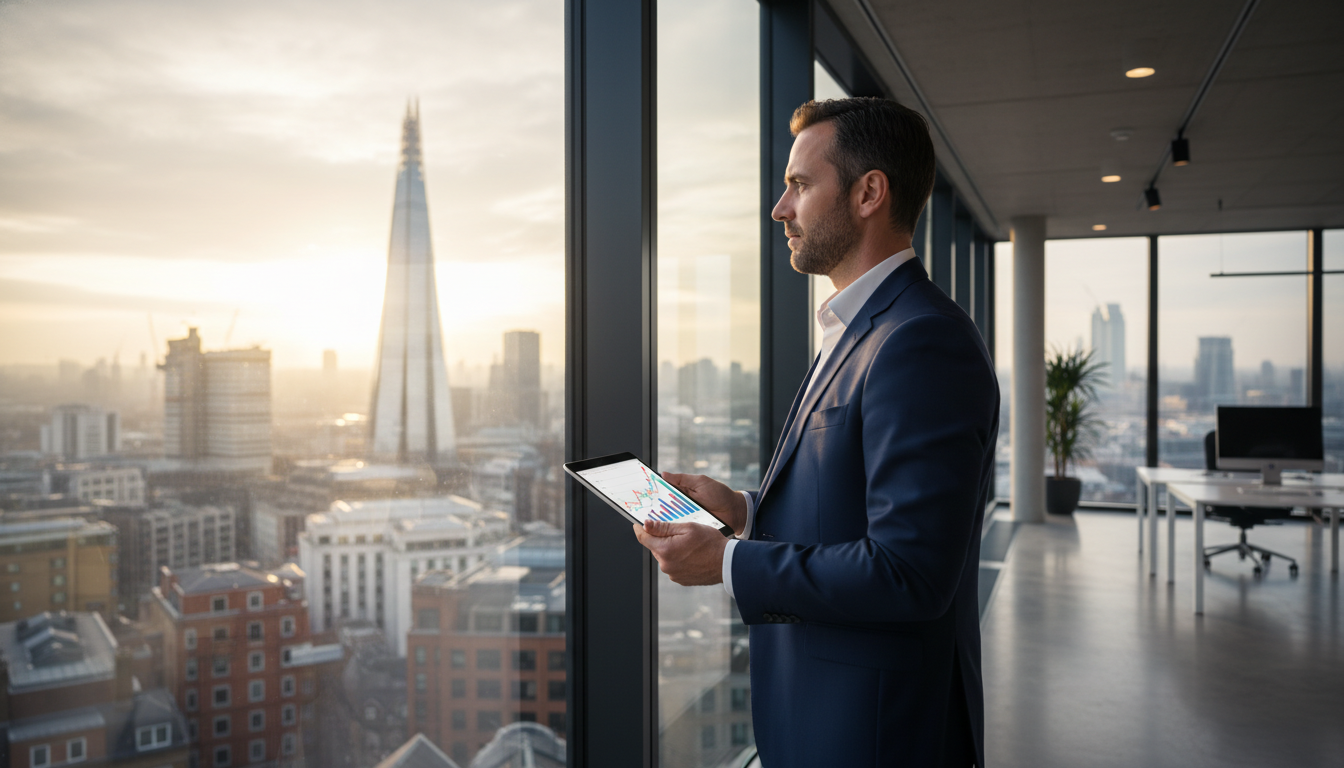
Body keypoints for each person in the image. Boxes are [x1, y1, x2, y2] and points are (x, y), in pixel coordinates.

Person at [633, 97, 999, 767]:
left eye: (799, 185)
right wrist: (743, 511)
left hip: (874, 733)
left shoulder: (919, 341)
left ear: (868, 193)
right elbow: (854, 508)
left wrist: (728, 562)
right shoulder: (858, 327)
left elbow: (910, 572)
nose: (780, 208)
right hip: (826, 716)